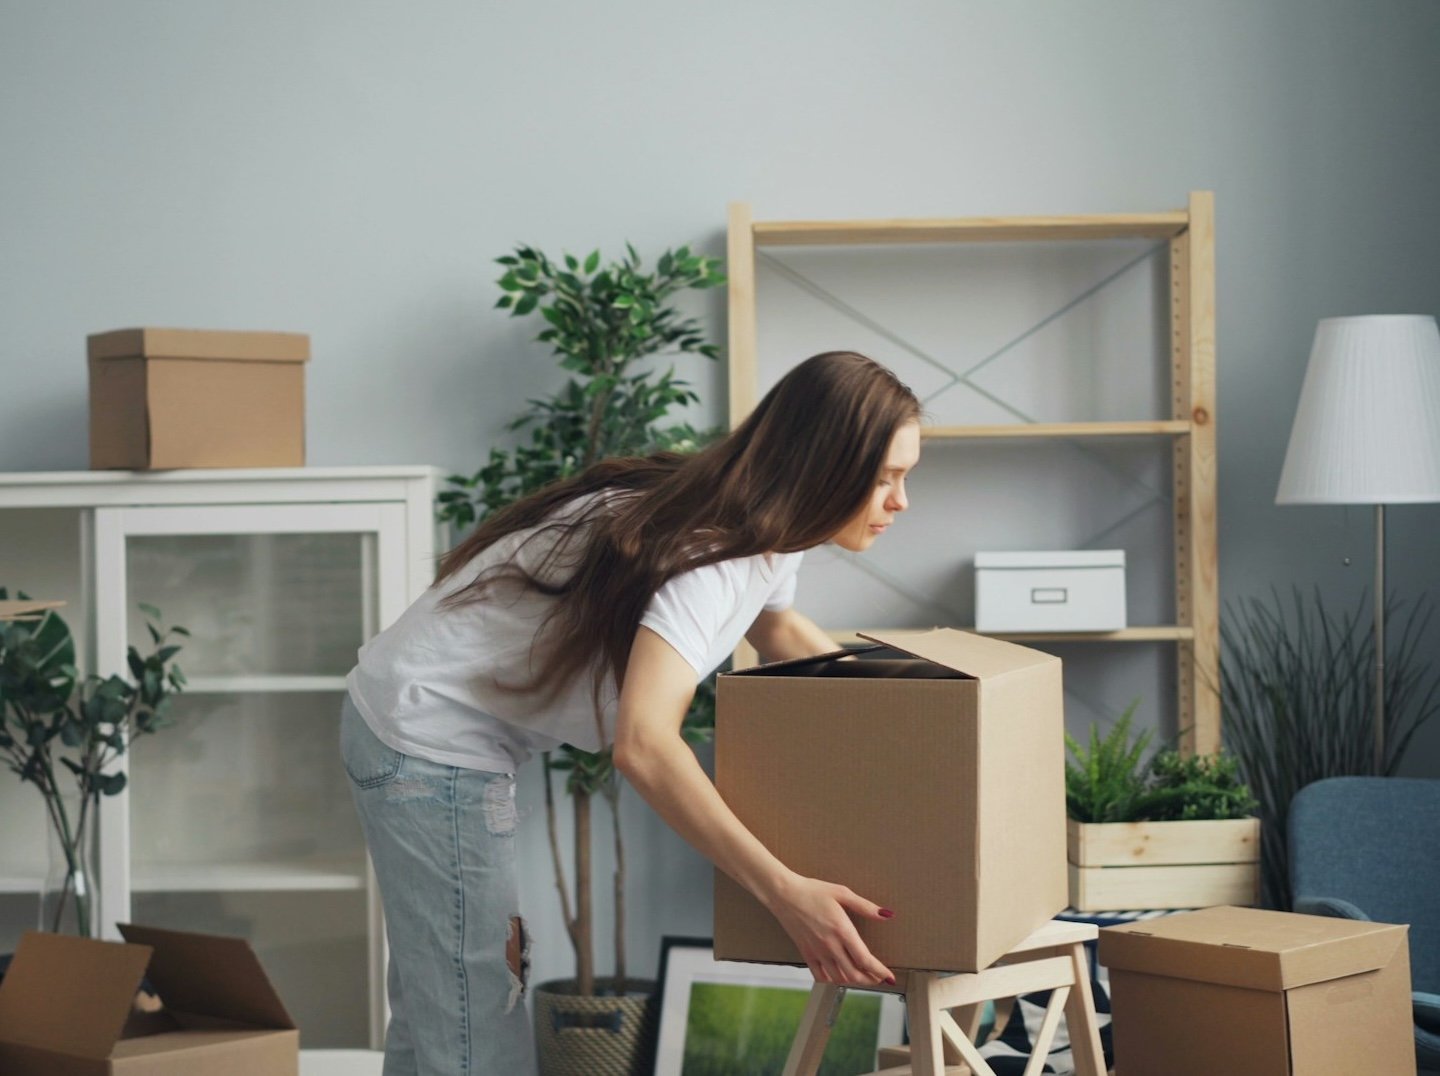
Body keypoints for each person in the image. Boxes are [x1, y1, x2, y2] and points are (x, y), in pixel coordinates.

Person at [341, 350, 923, 1074]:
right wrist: (786, 893)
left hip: (433, 728)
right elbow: (643, 747)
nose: (901, 501)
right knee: (474, 1023)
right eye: (886, 478)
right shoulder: (711, 554)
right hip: (426, 738)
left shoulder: (769, 532)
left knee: (442, 1010)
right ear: (826, 466)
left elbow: (780, 635)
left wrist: (919, 713)